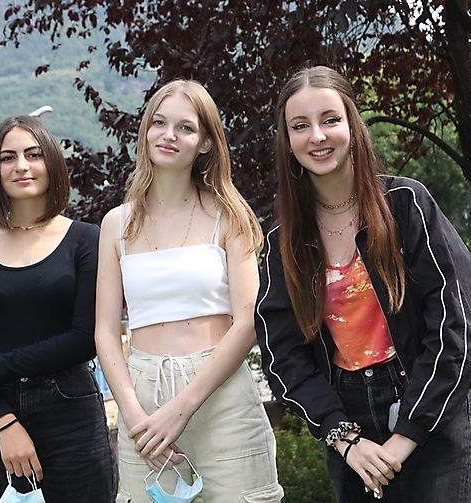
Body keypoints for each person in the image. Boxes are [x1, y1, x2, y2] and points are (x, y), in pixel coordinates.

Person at [255, 66, 471, 503]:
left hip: (431, 409)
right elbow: (283, 354)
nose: (317, 136)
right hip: (349, 424)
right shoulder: (283, 242)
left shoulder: (407, 206)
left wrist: (405, 435)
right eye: (300, 126)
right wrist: (346, 440)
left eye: (329, 119)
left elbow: (457, 326)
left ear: (351, 124)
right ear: (287, 141)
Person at [95, 80, 285, 502]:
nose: (169, 135)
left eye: (185, 128)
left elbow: (249, 321)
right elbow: (105, 331)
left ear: (205, 143)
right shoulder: (116, 225)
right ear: (146, 131)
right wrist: (133, 415)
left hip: (221, 395)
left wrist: (180, 409)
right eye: (159, 123)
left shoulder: (229, 216)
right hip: (143, 398)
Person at [0, 115, 117, 503]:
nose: (21, 166)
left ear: (52, 162)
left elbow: (84, 338)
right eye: (8, 158)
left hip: (72, 415)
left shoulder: (86, 240)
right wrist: (4, 422)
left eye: (33, 154)